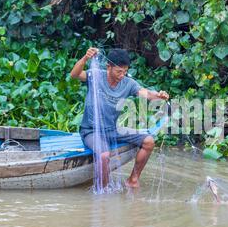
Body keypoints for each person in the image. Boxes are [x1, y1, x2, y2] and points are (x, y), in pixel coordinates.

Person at [70, 47, 169, 188]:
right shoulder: (95, 76)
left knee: (149, 142)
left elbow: (145, 93)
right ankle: (103, 190)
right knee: (104, 155)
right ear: (108, 67)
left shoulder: (128, 83)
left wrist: (159, 96)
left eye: (125, 71)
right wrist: (86, 58)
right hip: (91, 131)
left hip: (113, 130)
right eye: (119, 71)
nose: (122, 75)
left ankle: (133, 180)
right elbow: (74, 74)